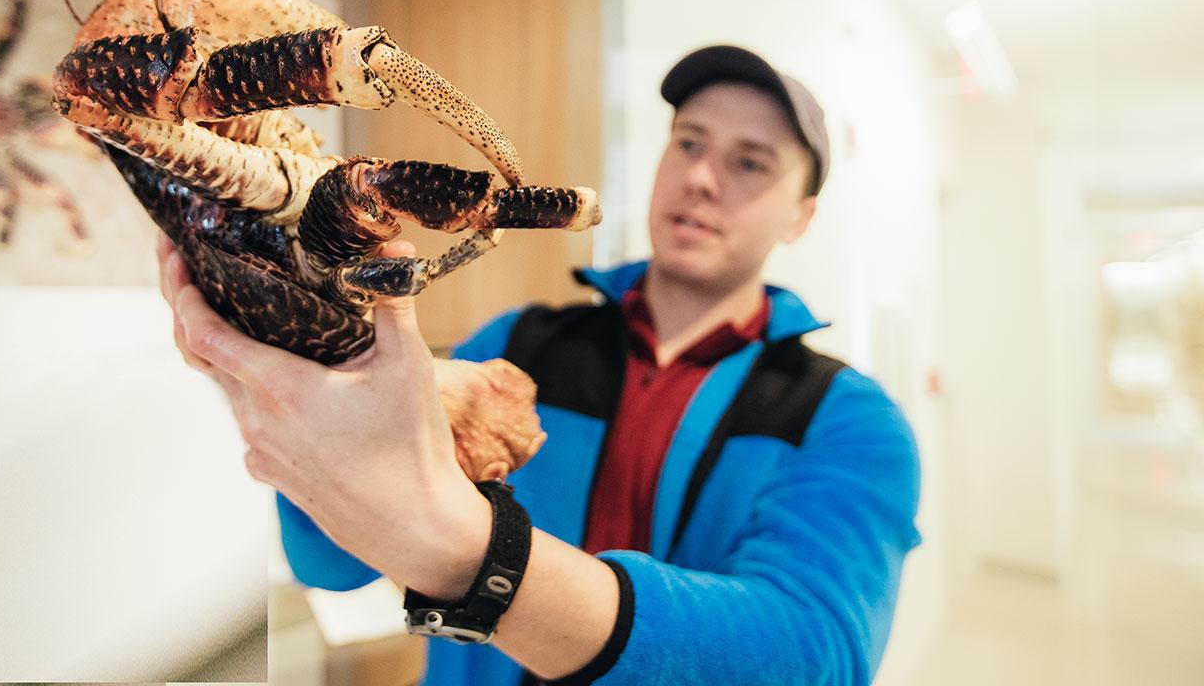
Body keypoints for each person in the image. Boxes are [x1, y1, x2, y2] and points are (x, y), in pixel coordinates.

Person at [158, 44, 922, 685]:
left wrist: (478, 557)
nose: (701, 177)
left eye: (751, 162)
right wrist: (297, 373)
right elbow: (331, 565)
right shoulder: (513, 346)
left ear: (801, 216)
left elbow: (811, 654)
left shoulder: (848, 422)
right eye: (688, 142)